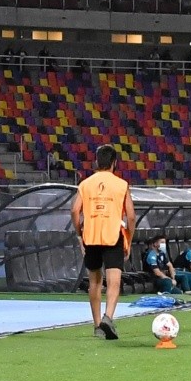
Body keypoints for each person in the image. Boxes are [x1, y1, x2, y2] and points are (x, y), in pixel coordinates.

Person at [71, 144, 136, 341]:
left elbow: (74, 211)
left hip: (91, 236)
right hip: (113, 235)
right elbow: (131, 216)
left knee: (94, 282)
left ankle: (97, 324)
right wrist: (129, 240)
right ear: (114, 163)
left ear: (96, 162)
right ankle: (109, 317)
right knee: (114, 280)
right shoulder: (121, 185)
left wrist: (79, 233)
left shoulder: (85, 184)